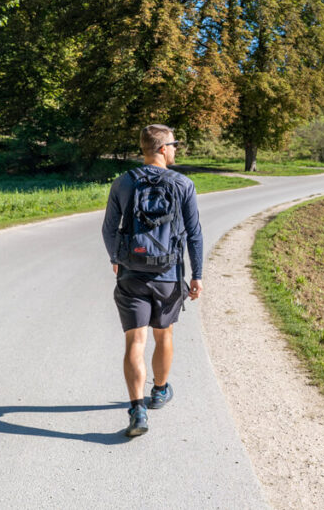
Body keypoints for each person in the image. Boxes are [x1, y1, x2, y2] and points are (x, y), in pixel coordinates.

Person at [101, 124, 203, 437]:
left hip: (132, 272)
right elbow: (194, 233)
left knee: (135, 341)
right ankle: (159, 391)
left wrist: (117, 259)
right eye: (173, 144)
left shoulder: (123, 182)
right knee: (164, 334)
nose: (176, 149)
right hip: (168, 276)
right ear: (161, 148)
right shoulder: (183, 184)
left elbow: (108, 229)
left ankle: (137, 410)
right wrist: (197, 275)